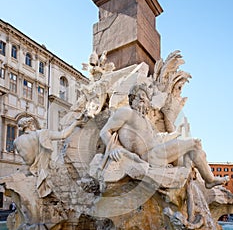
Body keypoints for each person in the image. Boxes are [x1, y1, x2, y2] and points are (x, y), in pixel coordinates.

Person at [100, 83, 228, 189]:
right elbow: (105, 131)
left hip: (158, 152)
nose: (144, 100)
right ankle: (209, 180)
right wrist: (113, 147)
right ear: (133, 98)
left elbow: (157, 138)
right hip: (149, 156)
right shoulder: (125, 112)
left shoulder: (146, 121)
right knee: (194, 143)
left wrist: (175, 134)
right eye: (141, 96)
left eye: (146, 98)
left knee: (196, 151)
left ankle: (205, 180)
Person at [14, 116, 82, 197]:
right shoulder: (43, 133)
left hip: (26, 172)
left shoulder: (16, 141)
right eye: (33, 124)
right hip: (42, 171)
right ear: (30, 125)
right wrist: (75, 123)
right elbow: (63, 135)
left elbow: (26, 158)